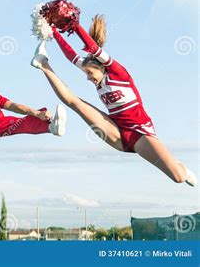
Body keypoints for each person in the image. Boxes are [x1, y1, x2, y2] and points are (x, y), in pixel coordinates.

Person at [30, 15, 197, 186]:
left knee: (178, 177)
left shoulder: (119, 74)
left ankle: (182, 168)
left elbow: (93, 48)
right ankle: (43, 63)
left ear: (100, 67)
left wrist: (76, 26)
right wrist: (53, 31)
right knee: (75, 103)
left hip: (139, 133)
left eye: (90, 74)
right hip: (115, 129)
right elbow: (71, 56)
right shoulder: (96, 74)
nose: (88, 78)